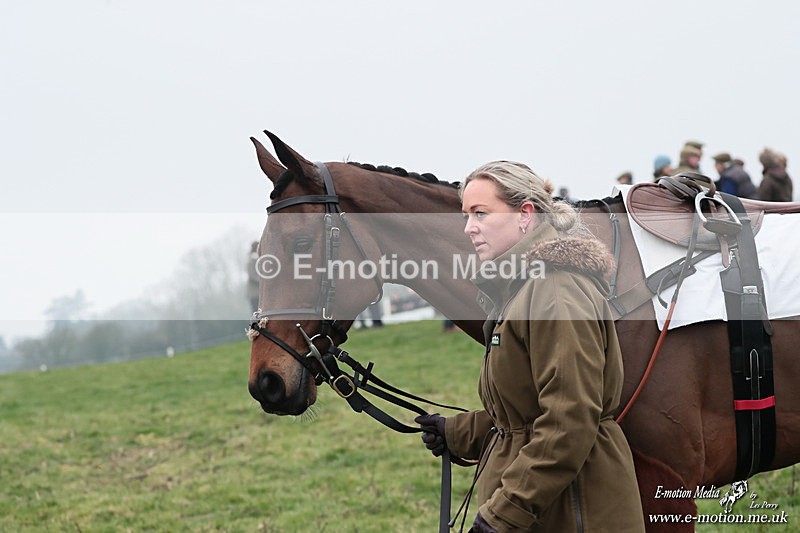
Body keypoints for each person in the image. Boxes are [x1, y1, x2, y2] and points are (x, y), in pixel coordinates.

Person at [416, 161, 644, 532]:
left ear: (525, 215)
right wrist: (458, 433)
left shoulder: (555, 292)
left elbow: (568, 421)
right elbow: (526, 411)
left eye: (480, 214)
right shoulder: (523, 290)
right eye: (466, 216)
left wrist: (504, 512)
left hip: (575, 510)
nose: (468, 228)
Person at [246, 241, 260, 313]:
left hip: (259, 293)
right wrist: (264, 281)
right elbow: (252, 276)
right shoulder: (252, 260)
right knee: (256, 313)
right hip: (254, 293)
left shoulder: (259, 259)